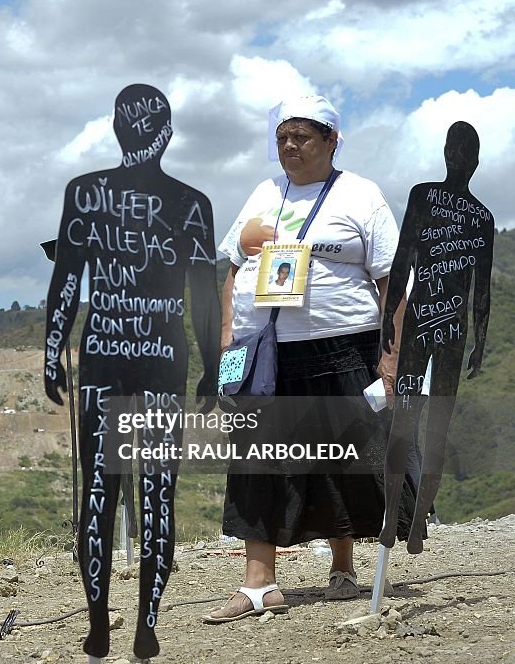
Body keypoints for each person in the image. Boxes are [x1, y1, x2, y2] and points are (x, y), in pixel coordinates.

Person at [206, 95, 410, 622]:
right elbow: (231, 270)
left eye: (302, 136)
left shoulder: (361, 195)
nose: (290, 146)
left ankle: (342, 564)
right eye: (282, 137)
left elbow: (391, 280)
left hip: (343, 346)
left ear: (331, 141)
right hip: (263, 351)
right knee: (256, 459)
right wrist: (229, 340)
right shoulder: (263, 192)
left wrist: (391, 360)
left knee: (343, 457)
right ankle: (259, 586)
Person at [44, 84, 220, 658]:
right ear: (164, 134)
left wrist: (52, 351)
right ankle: (145, 625)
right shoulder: (192, 203)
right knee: (157, 492)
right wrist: (214, 365)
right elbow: (205, 298)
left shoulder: (86, 193)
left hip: (102, 356)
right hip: (163, 360)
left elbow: (66, 279)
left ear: (118, 129)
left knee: (100, 491)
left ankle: (100, 626)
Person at [379, 121, 492, 554]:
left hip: (432, 325)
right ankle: (400, 519)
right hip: (446, 329)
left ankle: (403, 519)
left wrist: (392, 316)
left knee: (417, 423)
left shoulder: (435, 200)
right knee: (423, 425)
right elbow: (405, 255)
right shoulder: (471, 213)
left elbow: (407, 255)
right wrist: (478, 338)